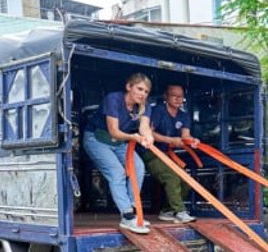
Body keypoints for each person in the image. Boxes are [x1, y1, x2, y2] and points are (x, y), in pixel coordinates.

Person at [82, 73, 155, 234]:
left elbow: (144, 127)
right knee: (117, 173)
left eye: (146, 91)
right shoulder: (113, 99)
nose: (143, 94)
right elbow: (114, 131)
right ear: (129, 87)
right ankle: (127, 216)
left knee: (138, 167)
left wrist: (148, 138)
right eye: (139, 89)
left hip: (120, 142)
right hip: (97, 139)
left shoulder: (145, 105)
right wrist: (133, 137)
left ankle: (133, 211)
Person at [144, 82, 196, 223]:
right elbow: (149, 132)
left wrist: (193, 141)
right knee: (171, 177)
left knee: (186, 179)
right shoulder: (157, 111)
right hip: (151, 153)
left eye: (181, 97)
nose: (178, 99)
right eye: (174, 96)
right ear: (165, 96)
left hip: (167, 154)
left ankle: (167, 211)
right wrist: (170, 140)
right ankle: (180, 211)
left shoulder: (184, 116)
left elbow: (185, 135)